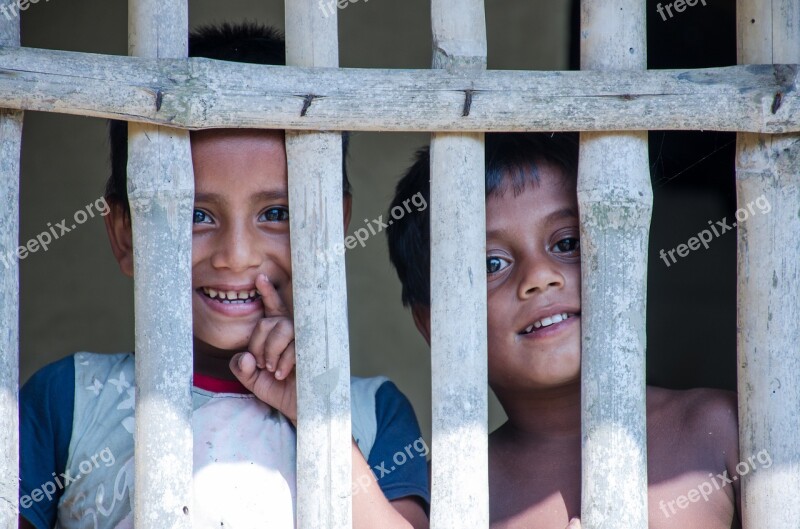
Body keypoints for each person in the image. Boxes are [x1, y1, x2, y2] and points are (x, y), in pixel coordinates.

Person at [19, 22, 429, 529]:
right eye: (197, 215)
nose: (236, 257)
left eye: (275, 213)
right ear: (125, 234)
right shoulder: (71, 400)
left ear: (330, 228)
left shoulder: (371, 414)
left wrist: (318, 413)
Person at [386, 132, 743, 529]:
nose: (539, 277)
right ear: (435, 323)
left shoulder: (719, 428)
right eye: (491, 265)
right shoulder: (442, 494)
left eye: (567, 242)